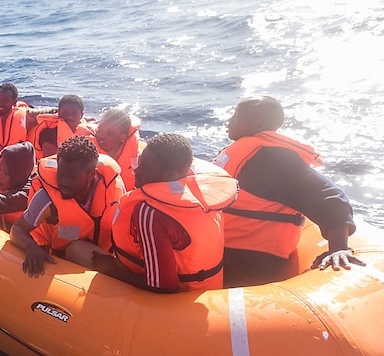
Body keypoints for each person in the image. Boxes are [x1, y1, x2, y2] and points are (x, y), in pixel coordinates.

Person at [214, 96, 365, 286]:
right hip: (225, 248)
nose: (230, 121)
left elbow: (329, 195)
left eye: (238, 116)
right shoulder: (246, 150)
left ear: (259, 123)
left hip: (250, 259)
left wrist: (339, 247)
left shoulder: (272, 160)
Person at [92, 134, 238, 293]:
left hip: (176, 301)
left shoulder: (150, 211)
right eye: (139, 164)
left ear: (172, 175)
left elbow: (163, 285)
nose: (137, 171)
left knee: (78, 252)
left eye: (145, 167)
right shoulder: (204, 200)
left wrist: (112, 270)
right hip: (208, 292)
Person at [10, 136, 125, 277]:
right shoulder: (46, 198)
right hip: (64, 262)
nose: (63, 182)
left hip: (104, 256)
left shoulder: (111, 189)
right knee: (76, 248)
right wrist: (31, 246)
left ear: (91, 175)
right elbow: (17, 229)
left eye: (72, 178)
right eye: (61, 174)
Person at [90, 108, 143, 191]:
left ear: (123, 137)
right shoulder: (86, 149)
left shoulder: (139, 157)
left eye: (109, 134)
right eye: (100, 130)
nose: (102, 135)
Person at [32, 94, 96, 159]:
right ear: (59, 113)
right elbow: (51, 160)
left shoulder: (86, 131)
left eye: (74, 113)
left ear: (81, 115)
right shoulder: (49, 133)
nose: (69, 117)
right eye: (65, 112)